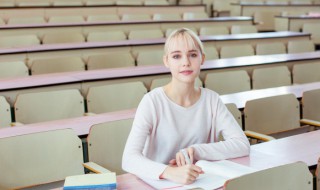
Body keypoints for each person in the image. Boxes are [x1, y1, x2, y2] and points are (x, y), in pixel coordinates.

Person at [122, 28, 250, 185]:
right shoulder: (152, 102)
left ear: (202, 59)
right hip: (160, 184)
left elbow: (242, 144)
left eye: (193, 55)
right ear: (166, 61)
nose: (186, 62)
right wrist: (168, 172)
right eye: (176, 56)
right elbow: (128, 158)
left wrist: (197, 151)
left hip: (201, 182)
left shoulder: (212, 99)